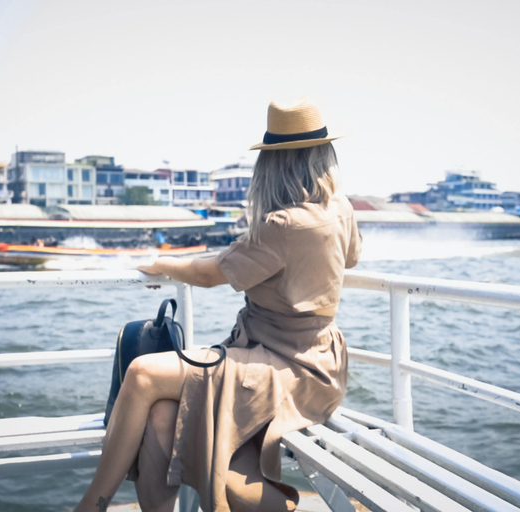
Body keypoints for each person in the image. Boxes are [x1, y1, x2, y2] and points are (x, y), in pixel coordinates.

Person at [74, 97, 362, 512]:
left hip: (280, 366)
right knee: (160, 418)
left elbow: (211, 275)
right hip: (323, 365)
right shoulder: (341, 209)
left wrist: (162, 263)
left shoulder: (281, 224)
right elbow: (349, 259)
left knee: (140, 374)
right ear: (322, 156)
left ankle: (91, 505)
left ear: (274, 164)